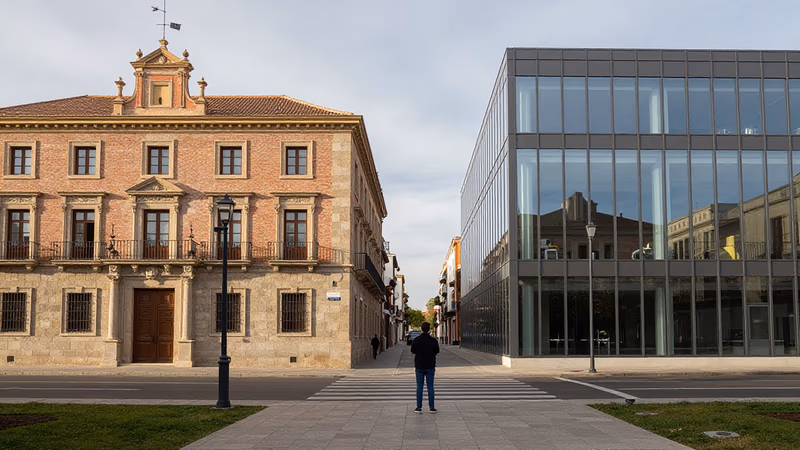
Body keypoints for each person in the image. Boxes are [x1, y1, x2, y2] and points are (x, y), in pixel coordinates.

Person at [410, 322, 439, 413]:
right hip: (430, 365)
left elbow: (413, 350)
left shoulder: (417, 340)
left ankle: (419, 407)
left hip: (419, 366)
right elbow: (436, 351)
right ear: (429, 329)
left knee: (419, 386)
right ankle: (432, 407)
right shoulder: (433, 340)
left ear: (421, 329)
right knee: (430, 386)